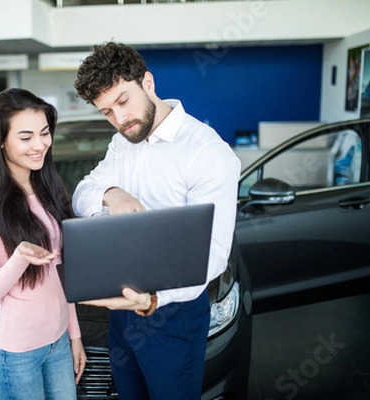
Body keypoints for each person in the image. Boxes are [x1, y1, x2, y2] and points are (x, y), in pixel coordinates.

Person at [72, 41, 241, 399]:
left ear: (147, 82)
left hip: (172, 315)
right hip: (121, 311)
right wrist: (111, 194)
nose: (119, 120)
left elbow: (211, 256)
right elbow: (83, 192)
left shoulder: (207, 153)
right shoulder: (123, 142)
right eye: (106, 112)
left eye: (122, 101)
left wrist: (150, 300)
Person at [0, 88, 87, 400]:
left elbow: (60, 273)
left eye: (44, 133)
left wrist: (75, 335)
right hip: (16, 354)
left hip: (57, 343)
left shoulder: (48, 187)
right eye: (26, 136)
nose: (40, 144)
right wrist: (19, 258)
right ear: (1, 140)